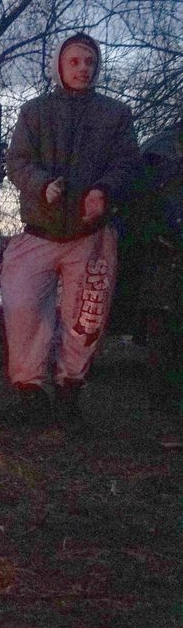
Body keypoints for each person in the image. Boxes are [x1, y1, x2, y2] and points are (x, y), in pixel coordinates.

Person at [2, 32, 140, 430]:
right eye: (76, 61)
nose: (83, 69)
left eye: (90, 63)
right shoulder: (34, 112)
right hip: (39, 231)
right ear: (60, 66)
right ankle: (29, 395)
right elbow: (17, 162)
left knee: (85, 316)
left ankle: (69, 395)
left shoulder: (115, 115)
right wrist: (42, 184)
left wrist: (103, 191)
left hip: (90, 235)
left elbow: (128, 163)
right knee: (23, 309)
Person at [129, 117, 183, 421]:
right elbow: (141, 220)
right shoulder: (159, 176)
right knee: (165, 346)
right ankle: (168, 418)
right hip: (166, 273)